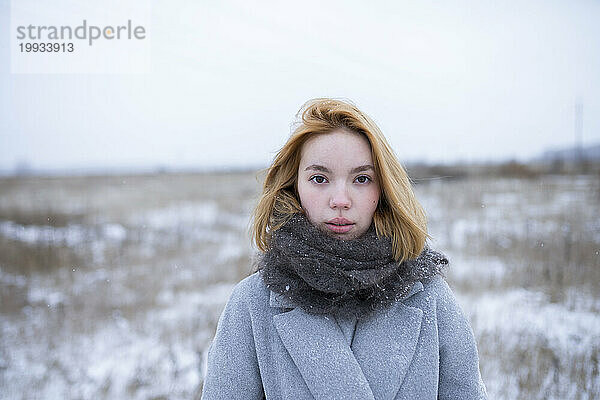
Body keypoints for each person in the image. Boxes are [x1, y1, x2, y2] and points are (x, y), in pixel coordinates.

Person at [201, 98, 487, 400]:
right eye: (319, 179)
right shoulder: (252, 304)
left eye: (361, 179)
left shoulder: (430, 298)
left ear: (384, 189)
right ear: (293, 186)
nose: (340, 199)